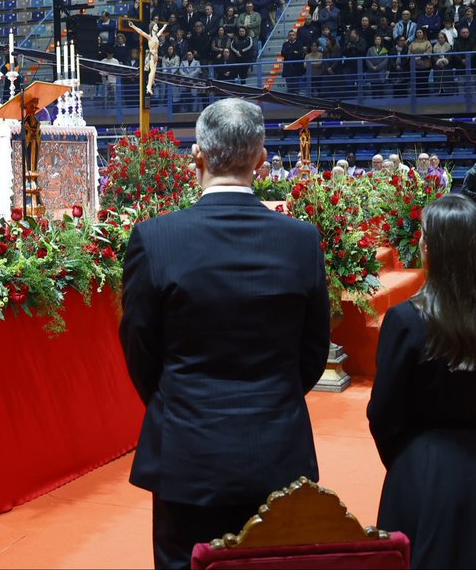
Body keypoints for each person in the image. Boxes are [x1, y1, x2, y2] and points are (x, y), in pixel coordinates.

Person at [119, 98, 330, 570]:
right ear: (261, 159)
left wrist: (179, 400)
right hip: (277, 450)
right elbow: (314, 351)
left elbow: (139, 351)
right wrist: (273, 395)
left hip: (187, 450)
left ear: (196, 156)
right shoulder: (300, 240)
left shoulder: (156, 239)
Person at [368, 194, 476, 570]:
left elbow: (384, 415)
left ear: (436, 249)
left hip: (420, 470)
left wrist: (409, 460)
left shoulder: (405, 318)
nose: (421, 243)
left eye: (424, 236)